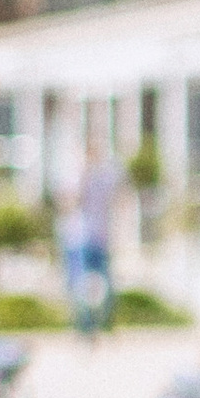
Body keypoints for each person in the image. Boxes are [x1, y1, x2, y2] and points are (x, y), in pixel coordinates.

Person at [61, 135, 119, 335]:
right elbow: (69, 203)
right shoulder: (75, 175)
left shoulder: (105, 175)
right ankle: (84, 328)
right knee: (79, 285)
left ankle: (105, 324)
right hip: (79, 237)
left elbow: (117, 198)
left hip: (99, 236)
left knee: (105, 285)